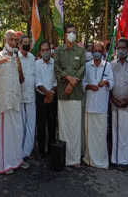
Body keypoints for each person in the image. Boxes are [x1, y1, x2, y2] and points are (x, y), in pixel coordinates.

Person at [0, 29, 29, 174]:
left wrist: (20, 68)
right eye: (10, 39)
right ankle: (3, 165)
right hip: (4, 102)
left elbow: (22, 80)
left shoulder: (17, 58)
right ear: (5, 41)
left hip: (15, 101)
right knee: (4, 136)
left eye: (14, 40)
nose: (13, 42)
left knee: (17, 133)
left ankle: (17, 160)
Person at [54, 24, 86, 167]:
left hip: (76, 93)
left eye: (74, 32)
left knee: (75, 127)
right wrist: (68, 79)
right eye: (69, 32)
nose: (71, 34)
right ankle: (63, 158)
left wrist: (72, 83)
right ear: (65, 35)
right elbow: (57, 68)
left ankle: (74, 159)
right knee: (64, 125)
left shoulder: (81, 50)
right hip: (63, 93)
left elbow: (82, 68)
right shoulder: (59, 50)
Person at [82, 41, 114, 168]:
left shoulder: (108, 66)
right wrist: (89, 86)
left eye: (99, 51)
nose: (97, 53)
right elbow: (82, 83)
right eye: (94, 50)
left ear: (103, 52)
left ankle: (101, 160)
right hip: (90, 105)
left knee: (101, 135)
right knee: (90, 135)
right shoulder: (87, 66)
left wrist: (105, 82)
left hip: (101, 106)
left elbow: (112, 83)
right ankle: (89, 159)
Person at [110, 38, 128, 171]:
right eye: (118, 48)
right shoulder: (111, 64)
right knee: (116, 133)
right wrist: (113, 99)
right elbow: (108, 85)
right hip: (115, 105)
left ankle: (126, 161)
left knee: (127, 134)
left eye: (123, 48)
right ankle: (116, 159)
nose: (120, 50)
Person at [35, 41, 57, 159]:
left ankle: (52, 150)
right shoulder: (37, 64)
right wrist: (47, 93)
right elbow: (37, 81)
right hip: (41, 97)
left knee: (52, 125)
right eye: (43, 50)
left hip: (53, 96)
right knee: (41, 125)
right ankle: (41, 151)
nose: (45, 52)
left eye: (47, 49)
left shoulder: (55, 63)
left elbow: (57, 79)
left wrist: (52, 92)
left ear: (50, 50)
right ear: (40, 52)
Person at [18, 34, 36, 159]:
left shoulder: (32, 57)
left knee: (31, 124)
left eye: (28, 42)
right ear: (19, 44)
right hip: (20, 96)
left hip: (31, 95)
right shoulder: (15, 58)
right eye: (24, 42)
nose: (27, 44)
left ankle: (27, 152)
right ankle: (19, 151)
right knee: (21, 125)